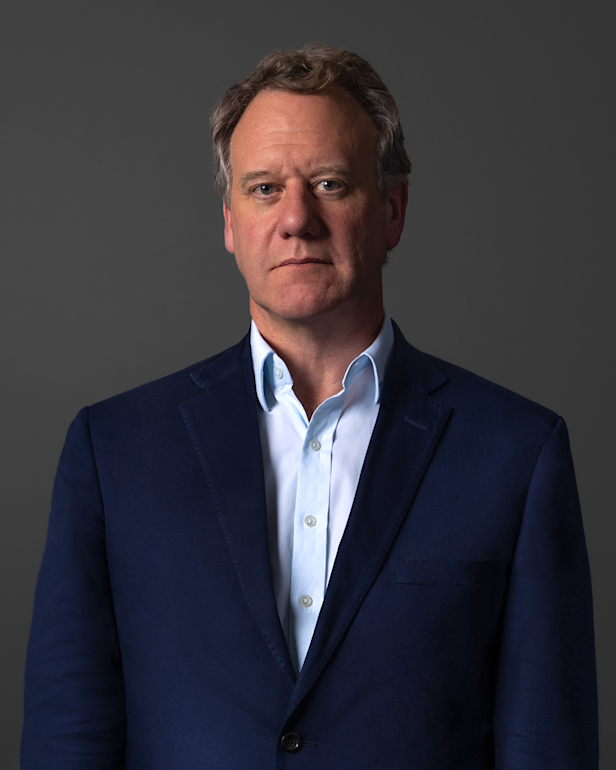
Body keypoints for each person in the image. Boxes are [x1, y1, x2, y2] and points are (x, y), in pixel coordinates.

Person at [21, 43, 598, 769]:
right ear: (229, 222)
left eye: (330, 183)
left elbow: (547, 745)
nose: (297, 218)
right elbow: (67, 734)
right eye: (265, 188)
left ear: (392, 210)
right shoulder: (114, 450)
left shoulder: (516, 453)